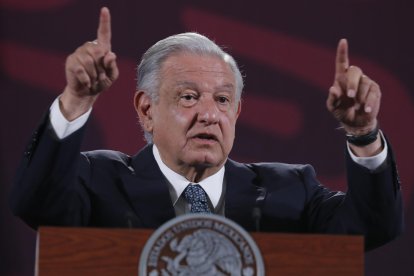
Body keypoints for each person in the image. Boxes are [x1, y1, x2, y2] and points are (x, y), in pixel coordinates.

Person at [10, 7, 402, 250]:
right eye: (188, 97)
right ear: (147, 109)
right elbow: (36, 203)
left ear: (237, 112)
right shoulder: (98, 181)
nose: (210, 115)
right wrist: (77, 99)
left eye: (223, 100)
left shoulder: (290, 190)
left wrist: (364, 133)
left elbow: (373, 227)